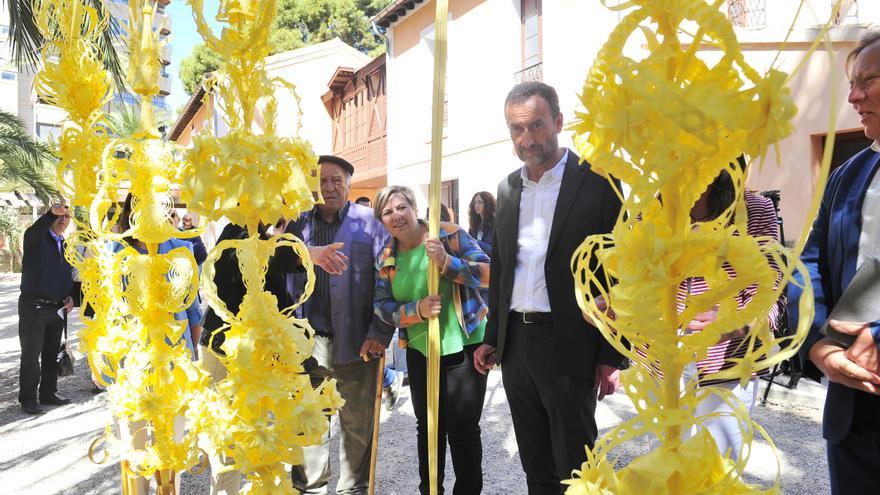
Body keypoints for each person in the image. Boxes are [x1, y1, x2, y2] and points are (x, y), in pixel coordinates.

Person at [472, 81, 626, 494]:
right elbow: (502, 267)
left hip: (570, 342)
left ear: (558, 122)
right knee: (535, 463)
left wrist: (611, 355)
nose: (527, 139)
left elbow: (619, 272)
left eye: (536, 125)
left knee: (577, 466)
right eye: (516, 129)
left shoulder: (598, 184)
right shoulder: (507, 188)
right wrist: (493, 337)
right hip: (517, 346)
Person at [790, 30, 880, 494]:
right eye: (851, 82)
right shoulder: (847, 175)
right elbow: (808, 264)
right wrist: (818, 346)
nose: (852, 96)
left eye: (867, 80)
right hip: (853, 413)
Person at [287, 154, 394, 495]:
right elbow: (278, 273)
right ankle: (311, 488)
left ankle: (353, 489)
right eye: (322, 180)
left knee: (357, 424)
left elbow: (389, 281)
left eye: (336, 180)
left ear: (349, 183)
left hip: (357, 342)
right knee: (310, 423)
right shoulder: (298, 224)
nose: (329, 186)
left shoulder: (371, 224)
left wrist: (380, 332)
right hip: (308, 344)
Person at [373, 185, 490, 494]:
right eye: (387, 212)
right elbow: (381, 306)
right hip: (421, 349)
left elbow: (490, 272)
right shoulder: (386, 257)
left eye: (401, 207)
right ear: (381, 220)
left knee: (463, 428)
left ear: (413, 207)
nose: (396, 215)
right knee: (428, 427)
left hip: (464, 346)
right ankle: (431, 491)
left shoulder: (448, 235)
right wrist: (416, 311)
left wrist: (447, 263)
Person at [672, 163, 782, 460]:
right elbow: (638, 279)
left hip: (728, 362)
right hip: (664, 364)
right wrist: (618, 305)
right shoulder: (655, 210)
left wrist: (740, 323)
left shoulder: (754, 209)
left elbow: (772, 289)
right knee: (665, 468)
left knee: (717, 470)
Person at [200, 218, 300, 494]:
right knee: (227, 441)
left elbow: (280, 289)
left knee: (262, 439)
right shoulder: (236, 228)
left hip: (262, 357)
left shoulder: (285, 229)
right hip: (222, 350)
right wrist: (295, 251)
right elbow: (230, 265)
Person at [18, 202, 74, 415]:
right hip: (34, 308)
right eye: (59, 216)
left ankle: (48, 393)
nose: (63, 220)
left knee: (51, 354)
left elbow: (67, 275)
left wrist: (70, 297)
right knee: (31, 356)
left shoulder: (65, 245)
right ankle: (28, 399)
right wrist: (51, 214)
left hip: (56, 309)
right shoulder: (36, 239)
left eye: (66, 217)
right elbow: (34, 231)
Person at [467, 192, 496, 256]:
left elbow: (494, 250)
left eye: (480, 202)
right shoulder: (474, 223)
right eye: (475, 203)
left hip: (490, 262)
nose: (476, 205)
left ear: (487, 204)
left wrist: (476, 242)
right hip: (476, 260)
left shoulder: (495, 223)